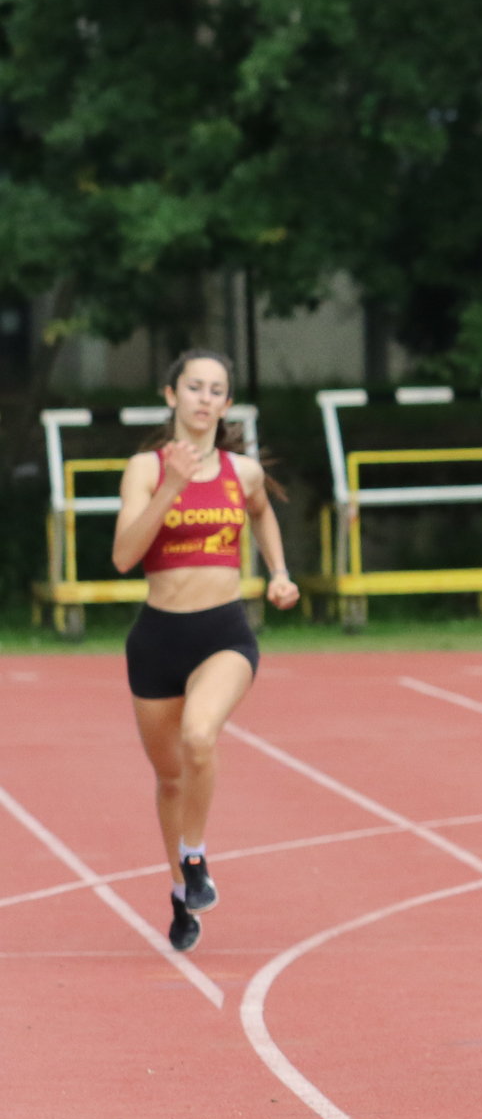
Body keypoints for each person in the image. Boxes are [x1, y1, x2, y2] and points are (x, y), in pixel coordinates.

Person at [108, 348, 302, 953]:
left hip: (224, 635)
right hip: (156, 641)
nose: (205, 398)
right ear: (172, 396)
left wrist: (279, 571)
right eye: (194, 387)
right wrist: (171, 485)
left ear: (226, 403)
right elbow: (124, 556)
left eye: (216, 390)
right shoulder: (144, 470)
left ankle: (194, 856)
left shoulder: (242, 472)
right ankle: (179, 889)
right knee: (170, 779)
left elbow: (262, 513)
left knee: (199, 735)